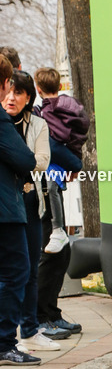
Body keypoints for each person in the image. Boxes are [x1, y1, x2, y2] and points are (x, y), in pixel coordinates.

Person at [1, 70, 60, 353]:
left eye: (19, 93)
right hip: (6, 202)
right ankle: (7, 336)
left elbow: (41, 161)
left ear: (28, 98)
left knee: (30, 269)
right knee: (13, 271)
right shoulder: (1, 123)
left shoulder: (38, 124)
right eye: (9, 91)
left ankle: (29, 329)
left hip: (28, 199)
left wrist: (15, 160)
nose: (12, 98)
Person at [0, 54, 41, 365]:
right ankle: (4, 343)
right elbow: (26, 160)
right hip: (5, 209)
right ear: (4, 84)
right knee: (17, 273)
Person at [34, 67, 89, 253]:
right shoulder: (70, 105)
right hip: (70, 154)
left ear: (37, 89)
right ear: (59, 85)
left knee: (51, 186)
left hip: (60, 156)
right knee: (52, 185)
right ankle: (58, 229)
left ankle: (58, 229)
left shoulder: (47, 111)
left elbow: (55, 137)